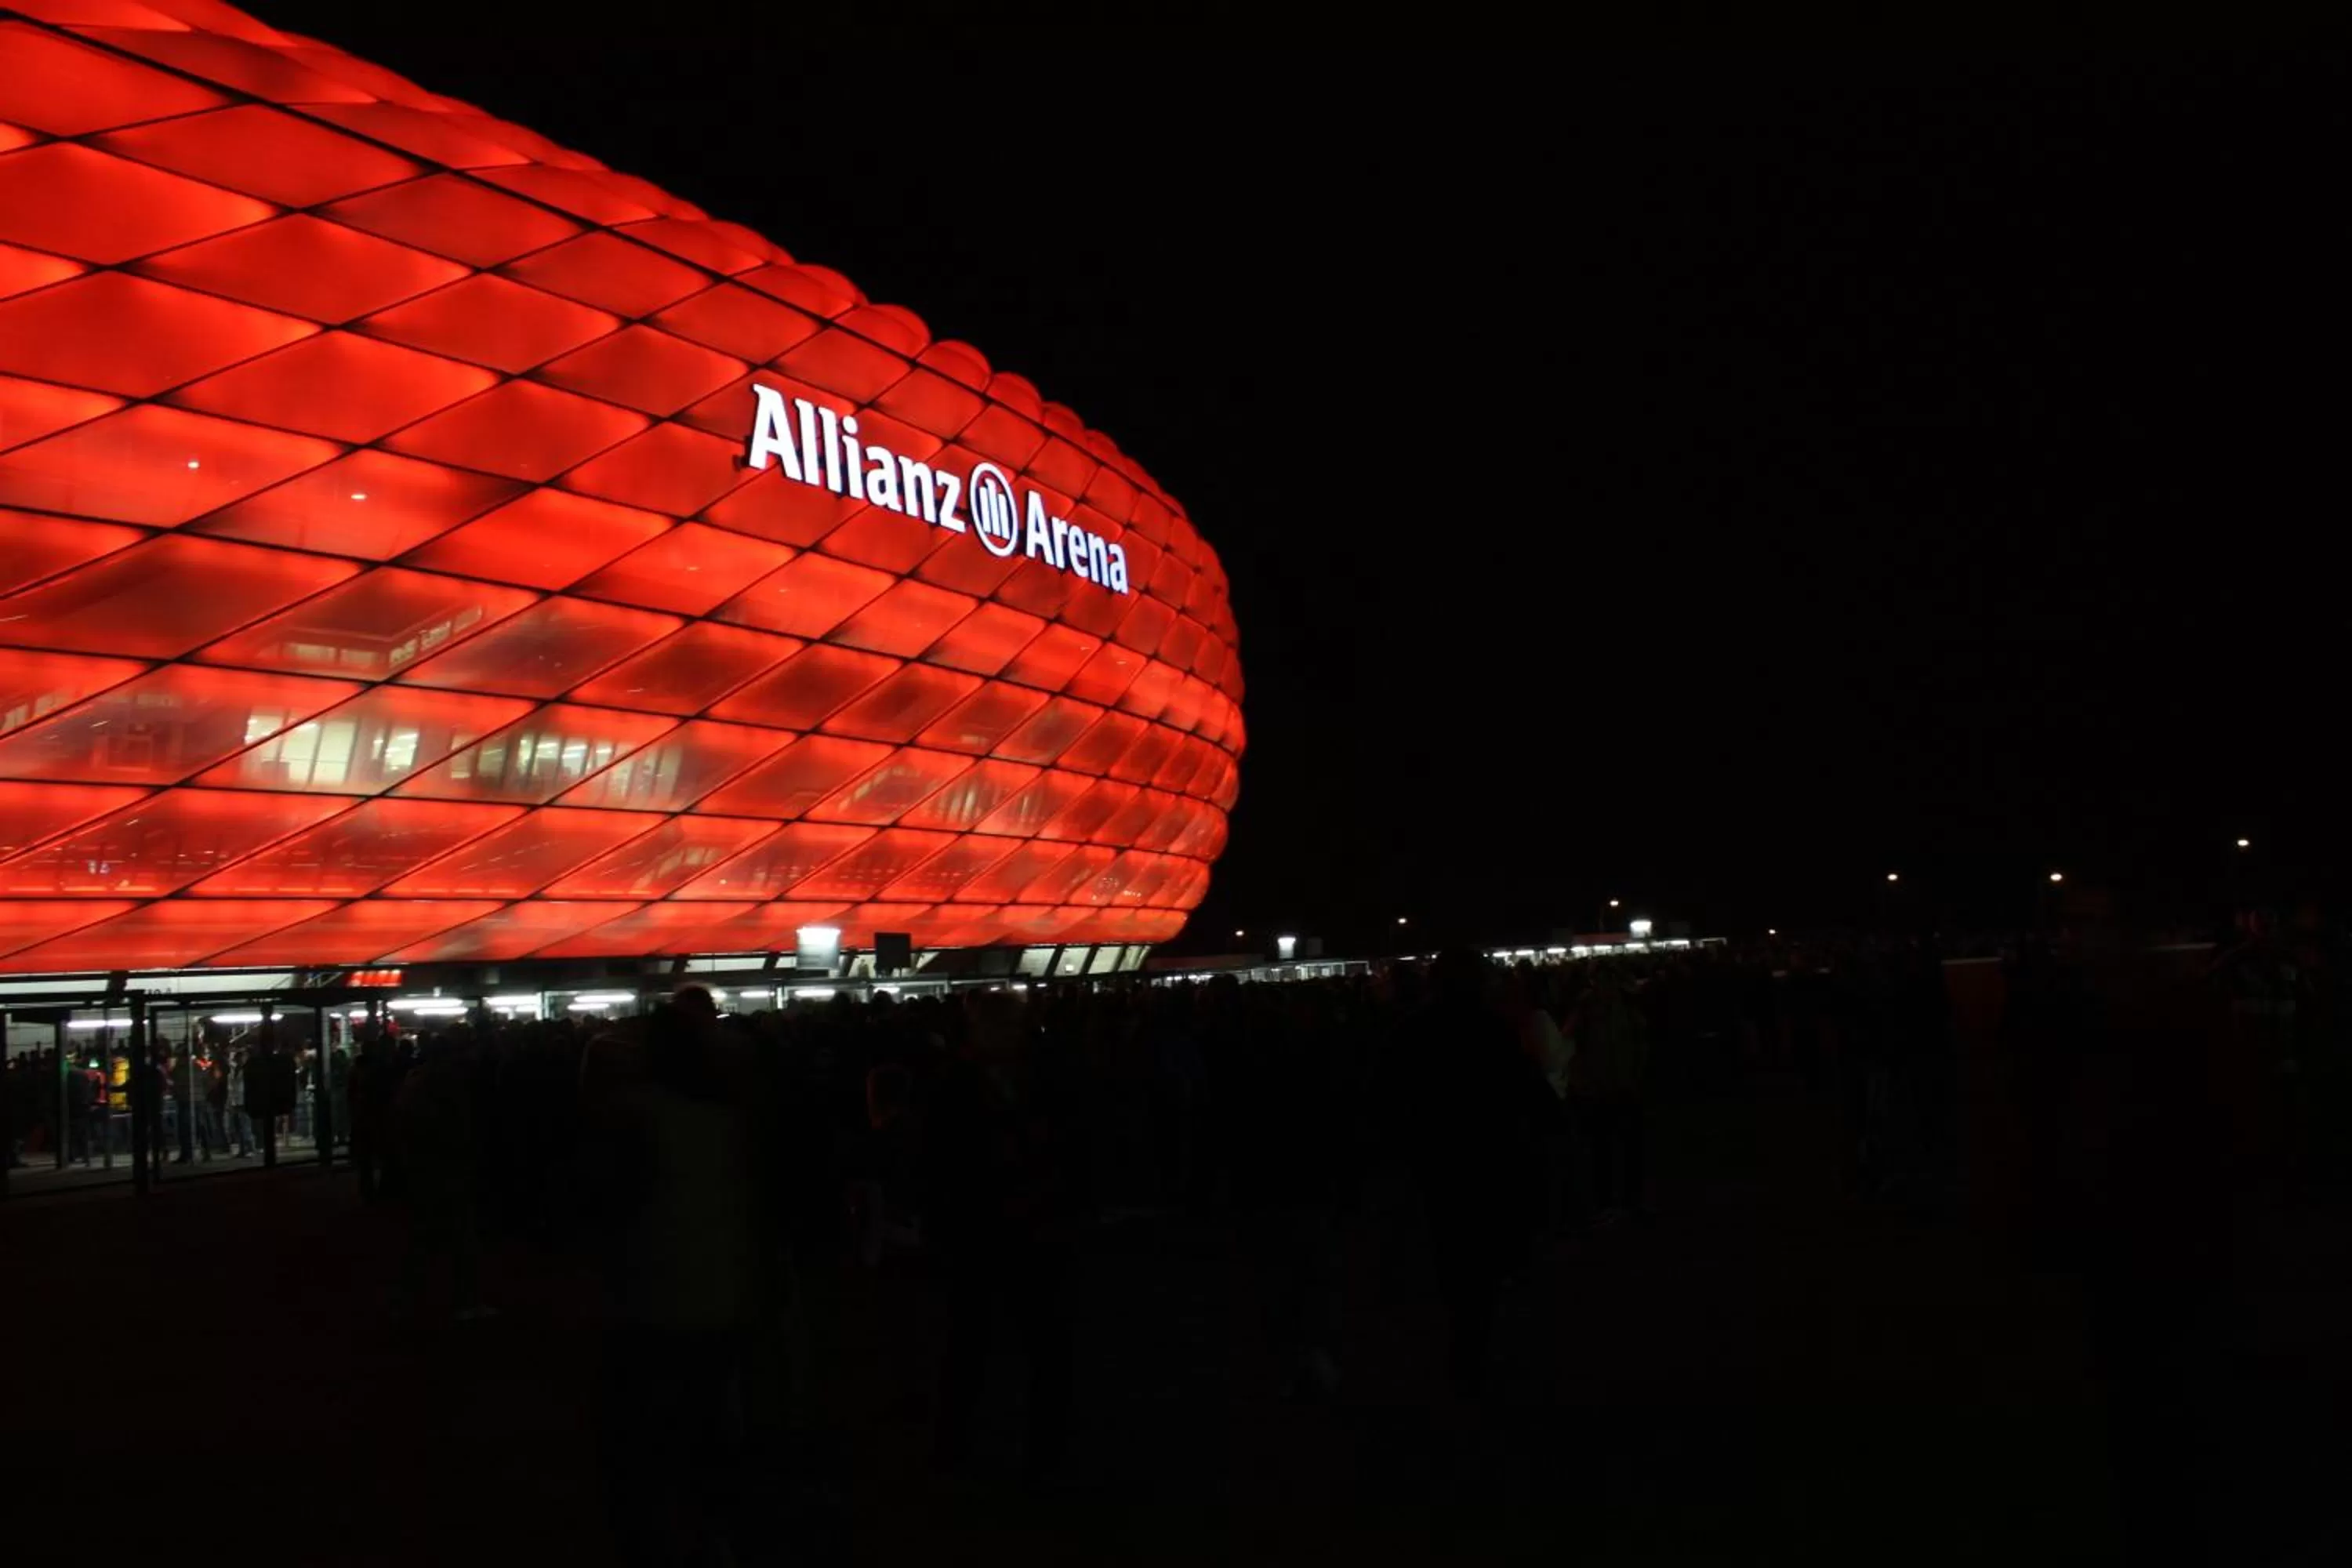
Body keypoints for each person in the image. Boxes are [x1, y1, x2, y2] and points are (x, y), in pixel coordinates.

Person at [586, 988, 762, 1566]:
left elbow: (608, 1208)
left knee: (645, 1428)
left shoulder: (631, 1116)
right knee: (712, 1419)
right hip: (720, 1290)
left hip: (648, 1294)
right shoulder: (730, 1117)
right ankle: (717, 1529)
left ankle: (655, 1533)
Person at [390, 1029, 491, 1324]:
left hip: (424, 1167)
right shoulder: (447, 1085)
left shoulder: (415, 1081)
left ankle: (414, 1300)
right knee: (459, 1236)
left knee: (424, 1236)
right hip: (444, 1166)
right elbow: (456, 1126)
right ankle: (463, 1299)